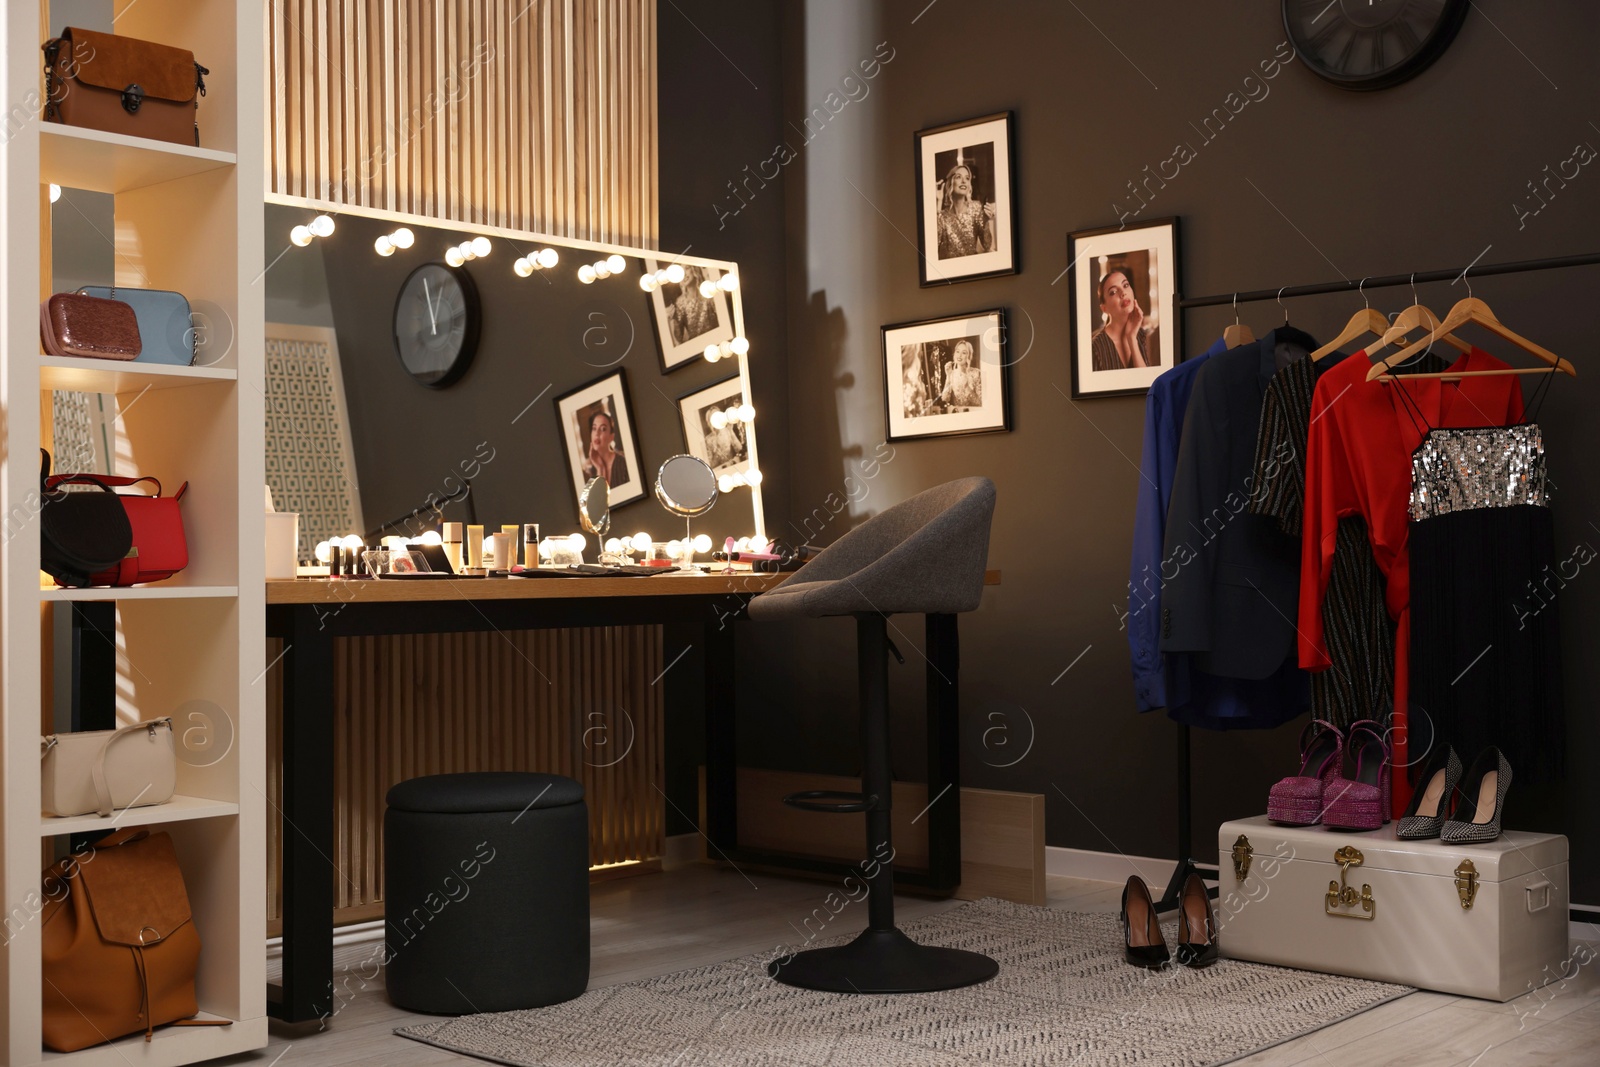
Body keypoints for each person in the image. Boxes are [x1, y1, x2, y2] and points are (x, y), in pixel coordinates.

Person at [1090, 266, 1160, 371]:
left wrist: (1131, 338)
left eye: (1126, 285)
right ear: (1104, 308)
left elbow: (1145, 382)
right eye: (1113, 292)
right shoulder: (1095, 347)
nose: (1123, 293)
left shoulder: (1141, 336)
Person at [935, 162, 995, 259]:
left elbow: (987, 246)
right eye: (958, 177)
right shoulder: (942, 215)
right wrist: (938, 201)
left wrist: (985, 222)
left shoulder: (976, 208)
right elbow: (933, 247)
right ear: (950, 183)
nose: (964, 181)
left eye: (967, 178)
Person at [667, 265, 720, 344]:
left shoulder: (708, 292)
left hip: (717, 338)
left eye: (687, 268)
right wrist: (671, 320)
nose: (684, 274)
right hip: (698, 345)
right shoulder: (680, 302)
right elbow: (679, 337)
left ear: (695, 270)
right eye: (681, 271)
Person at [579, 409, 629, 486]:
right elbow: (599, 497)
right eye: (594, 428)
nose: (597, 433)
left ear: (611, 437)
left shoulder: (624, 464)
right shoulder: (588, 471)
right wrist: (600, 468)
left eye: (603, 429)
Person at [939, 339, 983, 409]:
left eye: (964, 353)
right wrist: (948, 376)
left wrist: (967, 387)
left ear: (969, 356)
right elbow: (944, 400)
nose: (959, 355)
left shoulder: (977, 373)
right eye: (957, 351)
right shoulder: (952, 374)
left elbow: (980, 403)